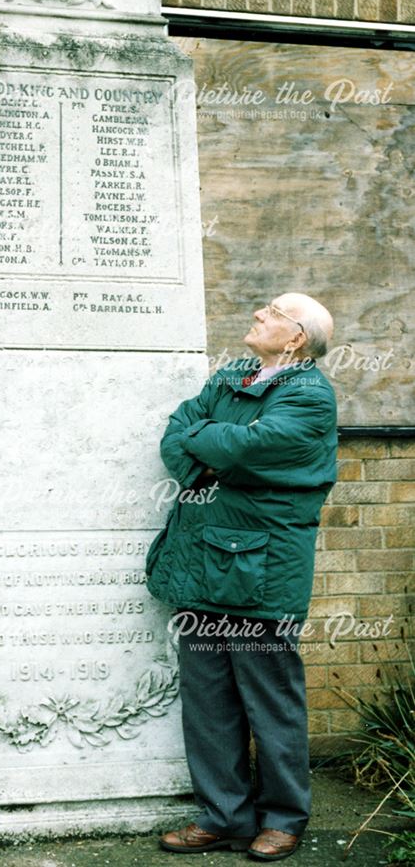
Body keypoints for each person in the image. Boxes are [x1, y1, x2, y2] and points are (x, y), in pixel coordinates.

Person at [146, 293, 337, 861]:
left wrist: (209, 447)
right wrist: (208, 450)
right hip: (202, 561)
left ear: (296, 337)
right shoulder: (233, 376)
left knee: (269, 700)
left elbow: (249, 447)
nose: (259, 315)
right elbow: (177, 433)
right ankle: (223, 816)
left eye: (274, 312)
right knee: (207, 700)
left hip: (262, 571)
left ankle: (284, 817)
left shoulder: (307, 395)